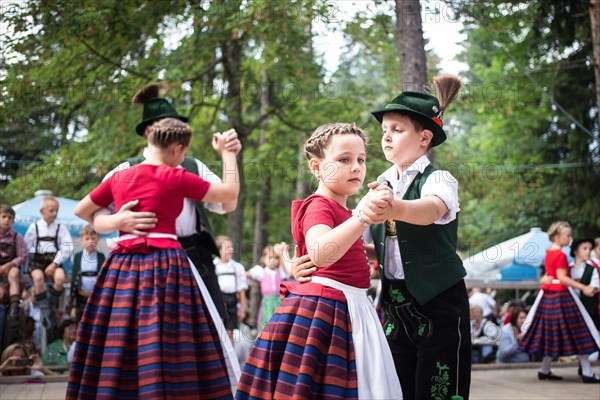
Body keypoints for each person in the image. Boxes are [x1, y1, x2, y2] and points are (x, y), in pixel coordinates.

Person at [294, 75, 470, 399]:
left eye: (397, 130)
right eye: (384, 131)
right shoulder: (381, 182)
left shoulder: (438, 179)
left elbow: (430, 210)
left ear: (424, 137)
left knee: (439, 385)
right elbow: (387, 247)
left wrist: (391, 207)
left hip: (438, 300)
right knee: (395, 383)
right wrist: (310, 261)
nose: (386, 138)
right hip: (393, 304)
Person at [67, 117, 241, 399]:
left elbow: (81, 210)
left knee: (119, 335)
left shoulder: (119, 176)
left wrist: (117, 220)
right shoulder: (175, 175)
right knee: (168, 336)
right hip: (166, 266)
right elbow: (229, 194)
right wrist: (228, 154)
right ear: (176, 150)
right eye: (183, 154)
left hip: (121, 268)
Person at [236, 123, 402, 399]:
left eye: (361, 159)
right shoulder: (319, 205)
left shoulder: (343, 210)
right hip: (327, 312)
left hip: (351, 306)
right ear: (316, 167)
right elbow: (321, 251)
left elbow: (352, 250)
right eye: (344, 160)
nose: (356, 167)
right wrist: (363, 216)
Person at [92, 83, 241, 323]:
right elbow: (95, 218)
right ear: (150, 132)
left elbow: (228, 203)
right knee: (152, 329)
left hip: (196, 256)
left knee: (213, 327)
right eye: (171, 126)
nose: (180, 132)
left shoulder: (191, 166)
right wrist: (117, 220)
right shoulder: (125, 171)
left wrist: (229, 156)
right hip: (147, 260)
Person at [519, 221, 600, 383]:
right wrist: (583, 287)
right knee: (580, 331)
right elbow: (562, 278)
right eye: (567, 235)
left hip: (548, 297)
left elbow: (551, 275)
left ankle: (544, 369)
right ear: (557, 237)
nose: (570, 238)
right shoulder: (561, 255)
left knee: (551, 333)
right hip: (562, 297)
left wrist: (546, 279)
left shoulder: (549, 252)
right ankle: (587, 372)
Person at [23, 195, 72, 341]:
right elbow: (27, 246)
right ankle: (46, 312)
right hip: (38, 261)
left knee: (60, 278)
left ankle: (49, 308)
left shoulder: (61, 227)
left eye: (56, 210)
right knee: (38, 279)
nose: (55, 213)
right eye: (51, 210)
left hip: (54, 260)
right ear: (42, 211)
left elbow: (67, 247)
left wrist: (55, 263)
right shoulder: (34, 227)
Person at [246, 244, 290, 330]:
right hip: (267, 303)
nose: (273, 260)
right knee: (267, 323)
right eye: (270, 258)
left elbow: (288, 272)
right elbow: (247, 274)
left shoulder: (281, 272)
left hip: (279, 302)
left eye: (276, 258)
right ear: (263, 259)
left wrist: (282, 252)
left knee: (279, 325)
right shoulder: (261, 271)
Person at [214, 235, 248, 342]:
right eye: (227, 247)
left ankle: (231, 356)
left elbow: (242, 290)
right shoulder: (214, 266)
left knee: (230, 332)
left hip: (232, 301)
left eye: (231, 247)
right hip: (218, 300)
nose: (231, 250)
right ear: (219, 249)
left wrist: (242, 308)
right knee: (217, 330)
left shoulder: (237, 267)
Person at [69, 225, 105, 321]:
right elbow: (73, 281)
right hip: (80, 298)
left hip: (97, 298)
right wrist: (72, 304)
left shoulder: (102, 257)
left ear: (98, 239)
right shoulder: (76, 257)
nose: (90, 241)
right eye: (87, 238)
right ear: (82, 240)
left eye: (93, 238)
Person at [0, 205, 27, 320]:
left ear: (13, 221)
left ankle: (14, 306)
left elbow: (22, 256)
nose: (6, 220)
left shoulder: (17, 237)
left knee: (14, 274)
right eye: (4, 216)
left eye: (10, 217)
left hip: (12, 265)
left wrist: (9, 265)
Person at [569, 238, 600, 328]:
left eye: (590, 249)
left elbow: (592, 291)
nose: (588, 251)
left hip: (589, 310)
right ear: (575, 251)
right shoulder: (568, 268)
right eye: (585, 248)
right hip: (571, 309)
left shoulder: (592, 269)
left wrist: (576, 284)